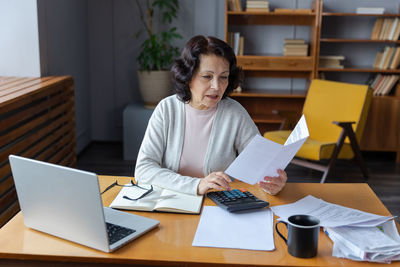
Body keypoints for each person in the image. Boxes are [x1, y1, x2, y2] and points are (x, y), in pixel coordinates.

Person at [135, 35, 287, 196]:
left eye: (223, 77)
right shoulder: (167, 109)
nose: (216, 86)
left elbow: (260, 166)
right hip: (172, 201)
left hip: (219, 203)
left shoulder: (235, 113)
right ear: (188, 78)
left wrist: (272, 182)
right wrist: (197, 185)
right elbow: (144, 169)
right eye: (207, 77)